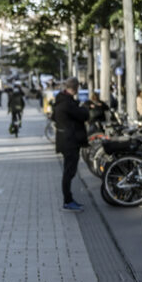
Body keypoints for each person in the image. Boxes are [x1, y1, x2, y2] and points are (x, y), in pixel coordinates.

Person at [52, 77, 90, 212]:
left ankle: (68, 200)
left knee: (69, 171)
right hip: (70, 141)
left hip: (65, 140)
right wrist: (84, 108)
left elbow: (53, 117)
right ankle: (67, 201)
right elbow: (84, 115)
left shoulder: (60, 101)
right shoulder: (68, 103)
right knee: (69, 172)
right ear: (75, 88)